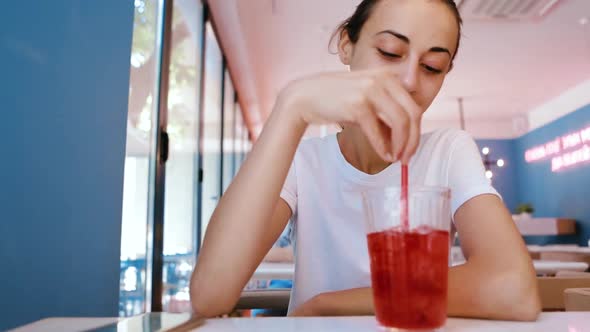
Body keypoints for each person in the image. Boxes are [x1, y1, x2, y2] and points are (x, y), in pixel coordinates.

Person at [190, 0, 541, 320]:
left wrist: (327, 304)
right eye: (390, 52)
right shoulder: (302, 160)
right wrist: (291, 107)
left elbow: (513, 289)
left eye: (432, 67)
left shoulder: (449, 151)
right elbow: (210, 295)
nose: (408, 81)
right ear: (347, 45)